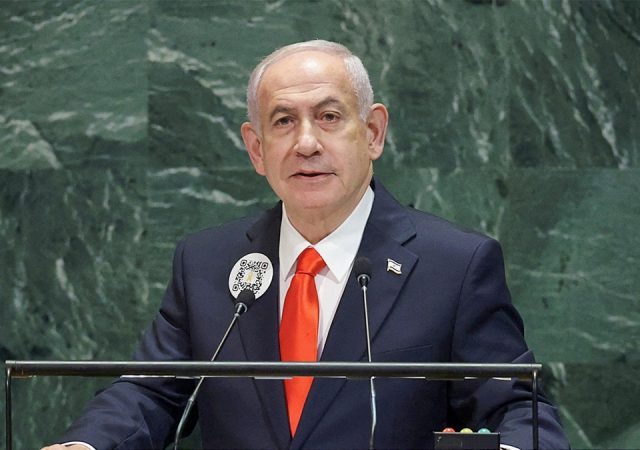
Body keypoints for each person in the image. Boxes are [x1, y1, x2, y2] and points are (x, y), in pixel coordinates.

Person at [42, 40, 569, 450]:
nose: (307, 142)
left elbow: (516, 410)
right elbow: (151, 392)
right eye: (283, 121)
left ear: (373, 132)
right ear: (256, 149)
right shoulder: (207, 262)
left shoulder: (453, 265)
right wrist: (86, 445)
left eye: (330, 117)